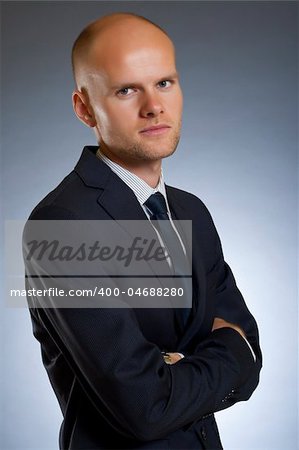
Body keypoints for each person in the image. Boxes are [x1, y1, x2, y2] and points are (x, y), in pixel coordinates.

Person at [24, 12, 262, 450]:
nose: (153, 105)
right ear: (84, 108)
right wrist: (223, 353)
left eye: (164, 83)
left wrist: (183, 367)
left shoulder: (192, 211)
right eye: (127, 89)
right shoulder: (61, 226)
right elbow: (144, 407)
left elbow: (251, 350)